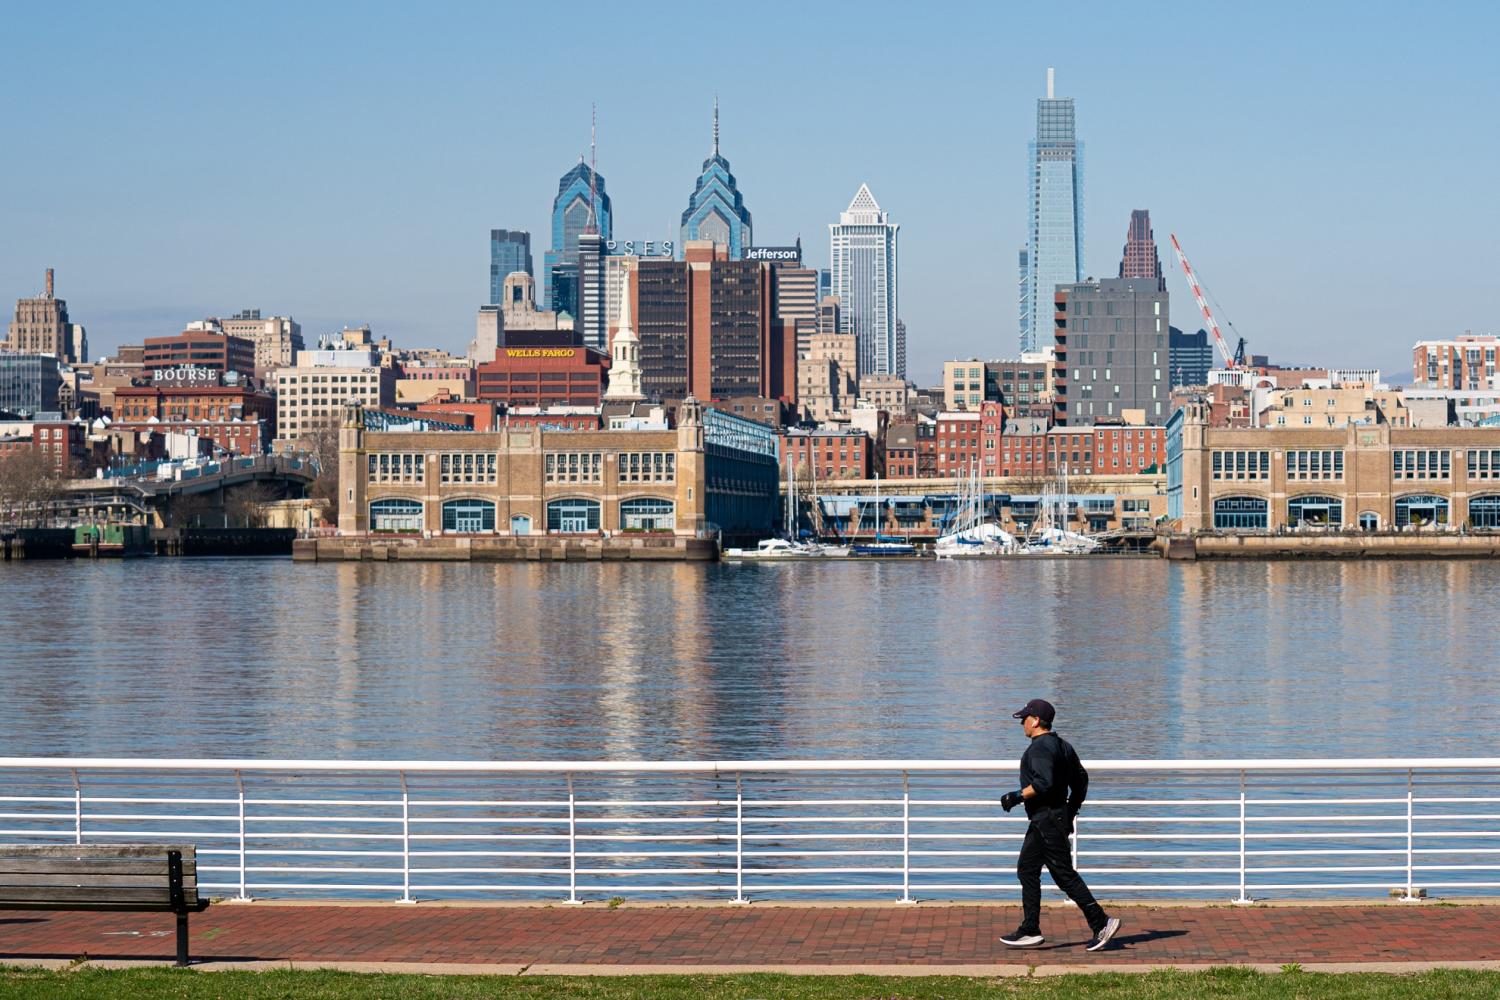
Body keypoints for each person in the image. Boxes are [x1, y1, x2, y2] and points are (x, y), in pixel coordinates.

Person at [998, 698, 1121, 952]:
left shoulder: (1040, 748)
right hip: (1052, 819)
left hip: (1046, 820)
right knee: (1027, 868)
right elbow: (1081, 780)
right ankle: (1030, 929)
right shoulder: (1063, 746)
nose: (1022, 723)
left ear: (1036, 721)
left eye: (1024, 719)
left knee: (1064, 875)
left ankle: (1101, 922)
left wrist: (1016, 796)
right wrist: (1071, 810)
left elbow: (1043, 783)